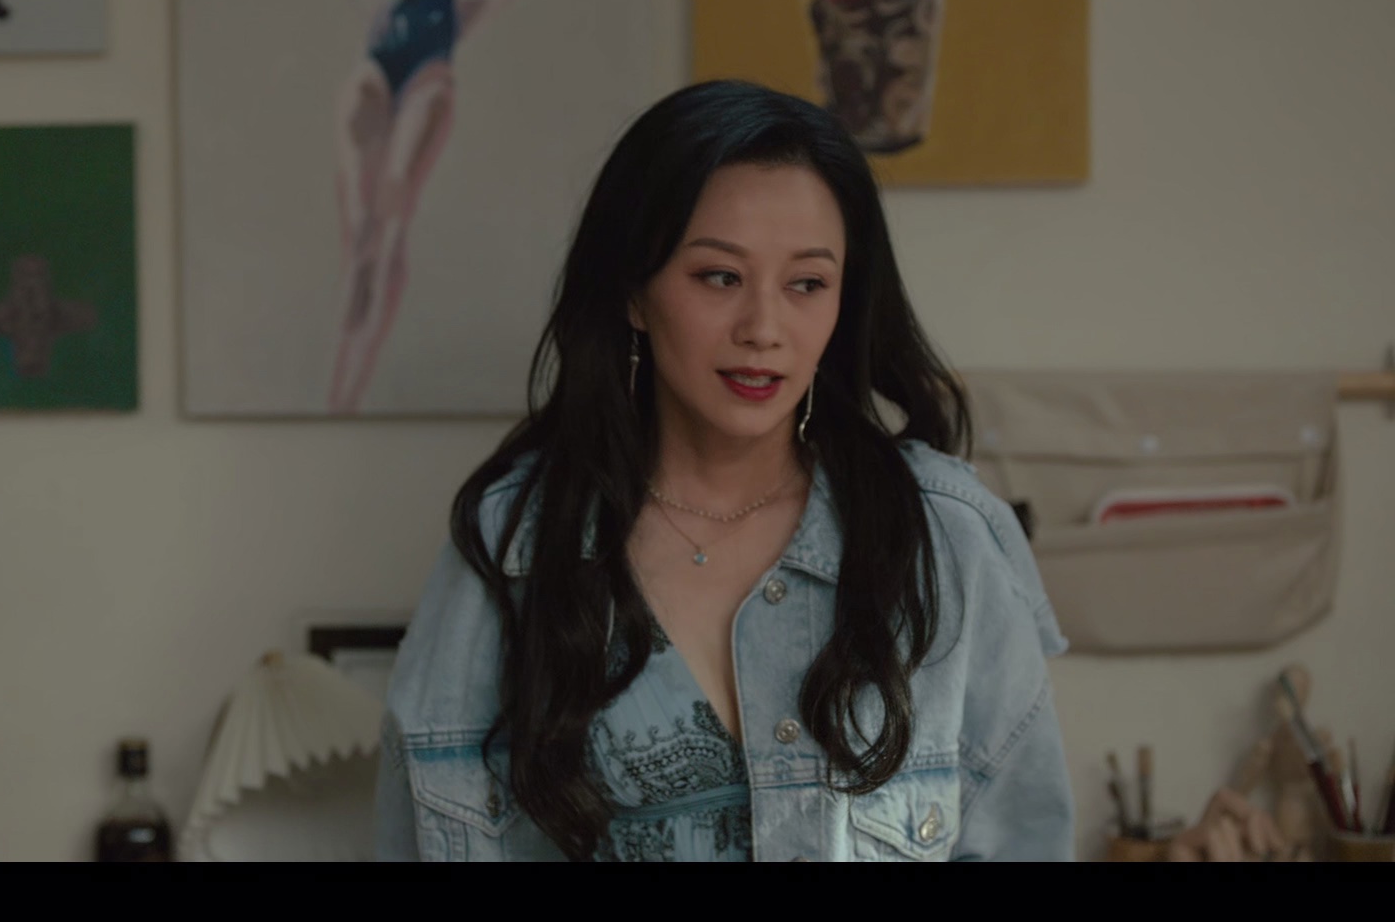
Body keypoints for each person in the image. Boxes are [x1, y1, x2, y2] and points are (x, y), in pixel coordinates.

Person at [375, 80, 1074, 861]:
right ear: (634, 294)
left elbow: (1024, 839)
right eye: (720, 277)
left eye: (807, 284)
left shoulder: (945, 539)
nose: (764, 329)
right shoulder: (517, 546)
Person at [236, 0, 638, 413]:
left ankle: (352, 374)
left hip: (424, 86)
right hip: (377, 80)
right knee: (361, 235)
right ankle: (343, 373)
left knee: (391, 222)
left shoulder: (462, 11)